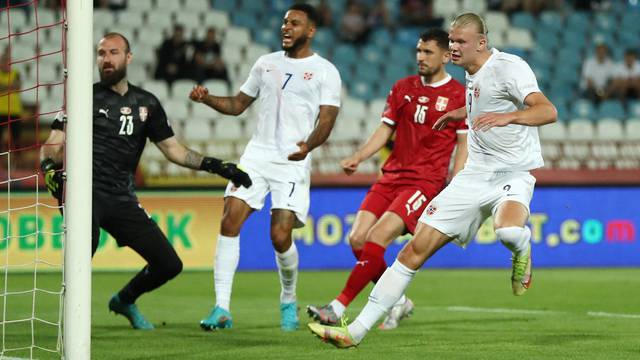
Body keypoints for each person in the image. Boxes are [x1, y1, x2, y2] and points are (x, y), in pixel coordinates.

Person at [309, 12, 557, 347]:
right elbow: (483, 102)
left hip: (511, 174)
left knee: (509, 231)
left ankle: (522, 249)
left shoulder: (510, 67)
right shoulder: (470, 74)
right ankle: (354, 333)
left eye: (460, 42)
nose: (453, 47)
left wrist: (507, 117)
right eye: (451, 41)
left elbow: (547, 111)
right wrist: (461, 113)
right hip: (474, 177)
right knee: (413, 251)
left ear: (481, 43)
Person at [39, 32, 252, 330]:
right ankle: (71, 323)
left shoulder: (147, 103)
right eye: (101, 53)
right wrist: (48, 165)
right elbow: (52, 143)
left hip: (122, 198)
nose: (106, 59)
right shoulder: (84, 97)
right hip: (84, 191)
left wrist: (218, 167)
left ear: (128, 57)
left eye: (113, 52)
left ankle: (125, 300)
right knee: (85, 240)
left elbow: (174, 150)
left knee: (169, 265)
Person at [189, 3, 341, 332]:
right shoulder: (265, 63)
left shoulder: (326, 70)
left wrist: (308, 146)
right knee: (230, 220)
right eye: (285, 22)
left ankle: (288, 299)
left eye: (295, 24)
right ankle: (222, 307)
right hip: (256, 156)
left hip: (292, 159)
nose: (286, 28)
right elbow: (237, 105)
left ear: (310, 31)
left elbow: (327, 120)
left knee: (279, 235)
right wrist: (208, 98)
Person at [306, 29, 468, 330]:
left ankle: (337, 306)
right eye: (419, 51)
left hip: (424, 182)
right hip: (391, 176)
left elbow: (463, 145)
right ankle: (398, 301)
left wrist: (455, 185)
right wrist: (359, 156)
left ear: (446, 56)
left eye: (428, 52)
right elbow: (385, 130)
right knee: (357, 239)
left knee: (377, 237)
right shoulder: (402, 87)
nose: (420, 57)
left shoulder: (459, 95)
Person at [0, 46, 24, 152]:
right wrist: (11, 86)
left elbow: (18, 86)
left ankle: (18, 162)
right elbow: (13, 86)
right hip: (1, 111)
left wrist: (4, 87)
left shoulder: (16, 73)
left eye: (7, 61)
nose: (5, 64)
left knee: (17, 139)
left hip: (15, 111)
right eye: (3, 61)